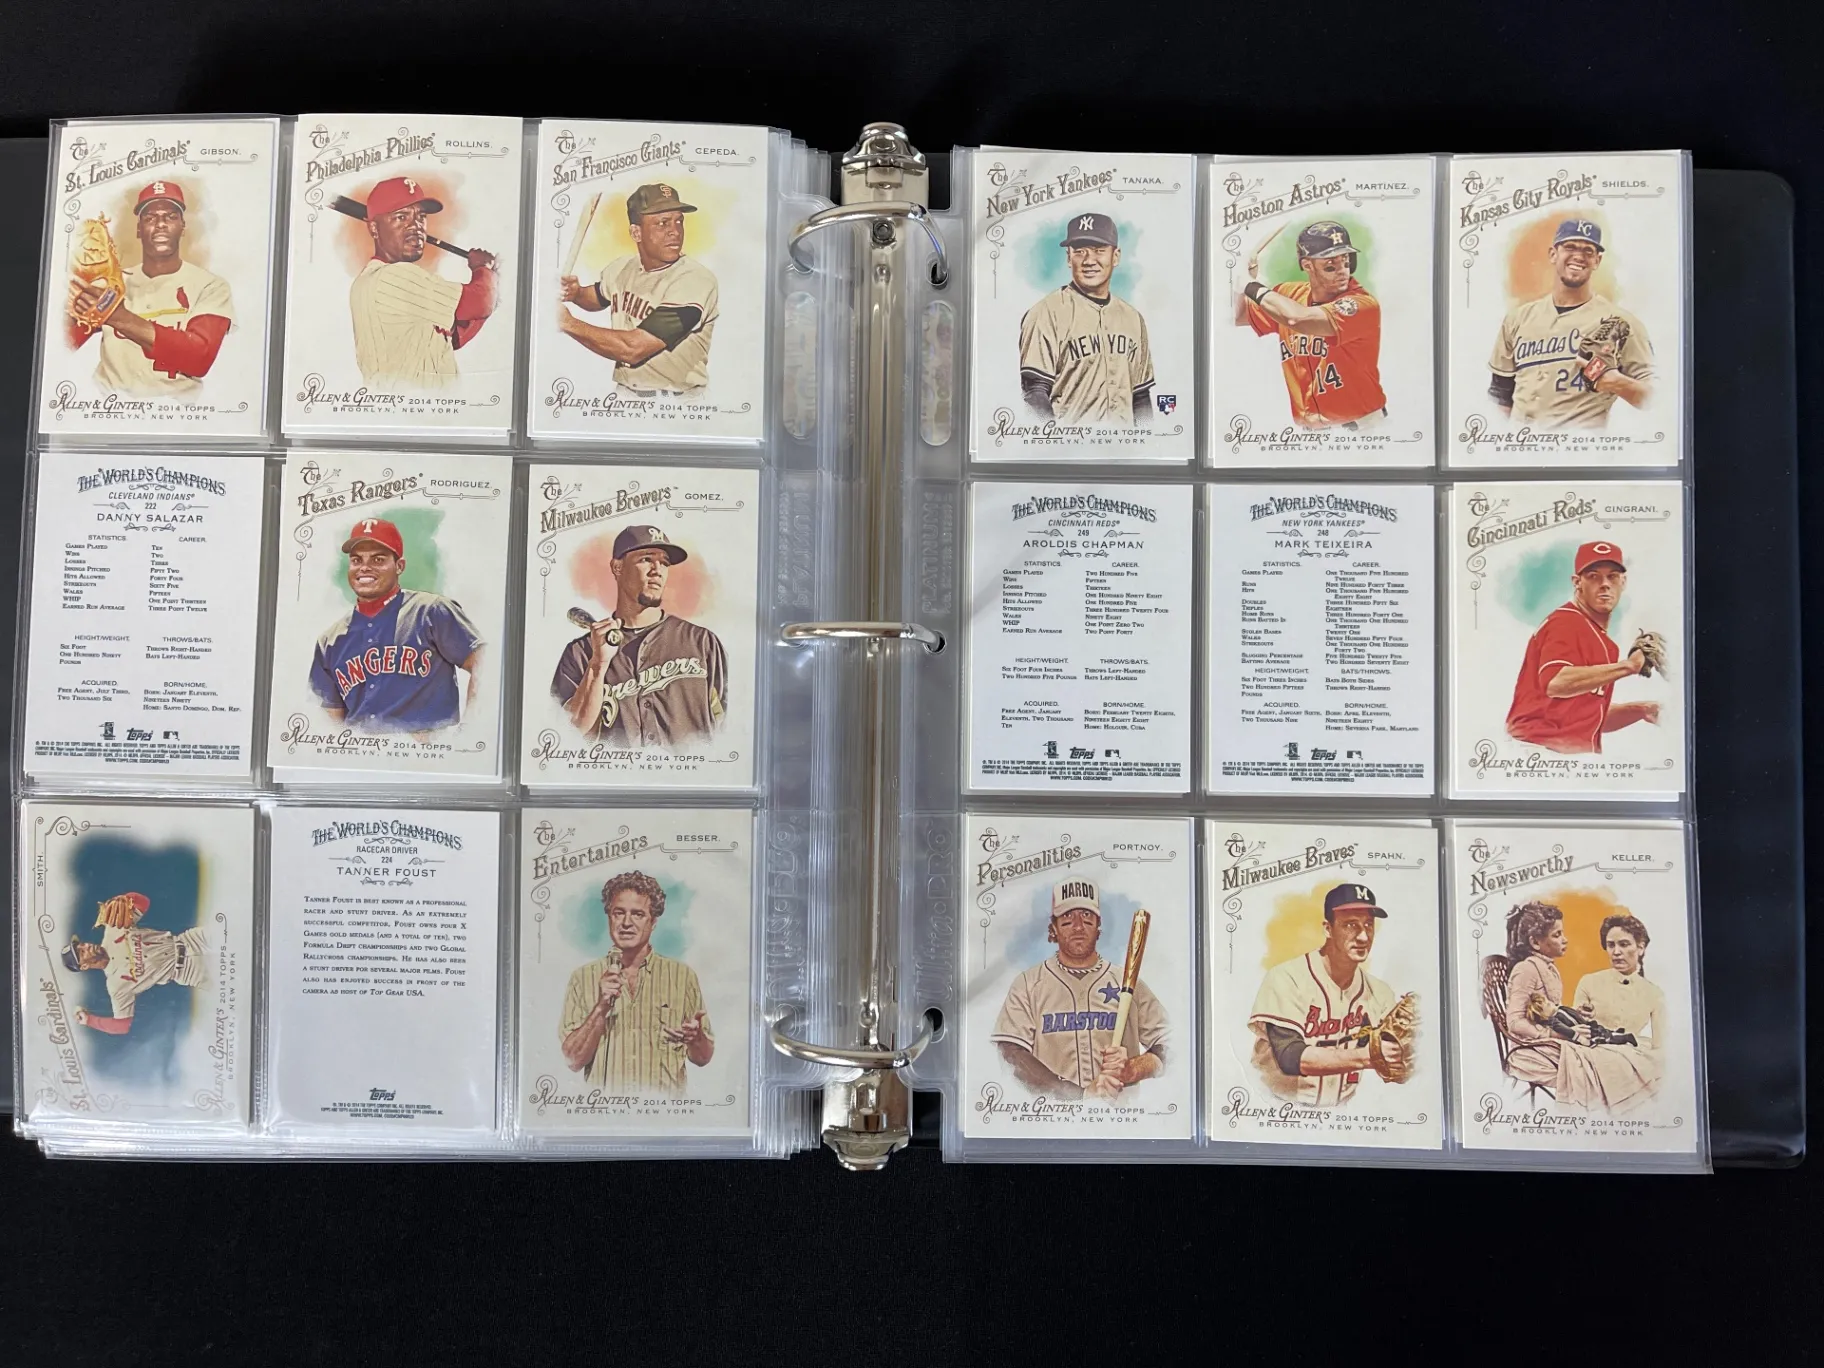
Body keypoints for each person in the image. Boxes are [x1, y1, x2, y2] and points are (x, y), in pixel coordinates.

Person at [550, 523, 728, 747]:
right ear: (617, 567)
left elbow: (726, 729)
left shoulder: (702, 643)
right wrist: (598, 665)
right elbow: (569, 738)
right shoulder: (581, 653)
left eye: (664, 563)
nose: (657, 570)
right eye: (646, 559)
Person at [990, 878, 1167, 1098]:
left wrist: (1132, 1069)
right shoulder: (1028, 984)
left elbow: (1172, 1046)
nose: (1078, 926)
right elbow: (1010, 1055)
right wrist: (1078, 1095)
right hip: (1055, 1115)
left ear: (1098, 925)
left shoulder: (1127, 982)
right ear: (1053, 927)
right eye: (1067, 917)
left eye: (1086, 915)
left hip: (1121, 1115)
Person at [309, 518, 485, 735]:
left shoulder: (431, 611)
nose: (364, 567)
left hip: (425, 749)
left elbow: (486, 666)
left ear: (399, 566)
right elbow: (329, 722)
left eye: (378, 559)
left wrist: (469, 732)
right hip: (360, 751)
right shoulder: (329, 641)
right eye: (356, 560)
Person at [65, 180, 233, 395]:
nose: (160, 224)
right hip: (107, 403)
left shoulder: (210, 286)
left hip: (177, 408)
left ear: (182, 226)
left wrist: (115, 316)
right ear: (139, 229)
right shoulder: (111, 282)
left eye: (170, 216)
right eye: (150, 217)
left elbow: (199, 358)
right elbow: (61, 345)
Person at [1248, 883, 1408, 1107]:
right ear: (1328, 929)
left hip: (1340, 1114)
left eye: (1368, 925)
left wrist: (1405, 1057)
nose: (1363, 937)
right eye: (1351, 925)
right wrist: (1371, 1056)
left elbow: (1397, 1065)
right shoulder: (1287, 978)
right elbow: (1290, 1056)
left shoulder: (1379, 993)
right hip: (1276, 1109)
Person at [1487, 218, 1654, 428]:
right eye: (1570, 247)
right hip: (1521, 443)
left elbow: (1657, 398)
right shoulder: (1518, 318)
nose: (1579, 256)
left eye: (1588, 251)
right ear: (1553, 254)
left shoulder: (1622, 323)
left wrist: (1618, 382)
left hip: (1579, 444)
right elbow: (1501, 393)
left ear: (1597, 261)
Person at [559, 870, 713, 1093]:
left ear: (653, 921)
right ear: (609, 917)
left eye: (638, 914)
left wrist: (696, 1039)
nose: (626, 923)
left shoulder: (683, 976)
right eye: (618, 913)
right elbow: (572, 1061)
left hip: (663, 1109)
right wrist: (601, 1007)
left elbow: (703, 1058)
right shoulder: (582, 978)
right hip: (605, 1110)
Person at [1499, 900, 1658, 1113]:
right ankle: (1620, 1110)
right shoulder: (1525, 970)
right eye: (1557, 935)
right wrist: (1553, 1034)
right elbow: (1515, 1022)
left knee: (1621, 1052)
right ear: (1535, 942)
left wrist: (1575, 1015)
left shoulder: (1547, 968)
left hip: (1552, 1041)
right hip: (1532, 1049)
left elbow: (1550, 1011)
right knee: (1610, 1060)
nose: (1565, 939)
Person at [558, 183, 718, 394]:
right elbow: (596, 298)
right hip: (625, 393)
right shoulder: (622, 268)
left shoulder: (694, 281)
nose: (675, 231)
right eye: (663, 223)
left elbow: (633, 349)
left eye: (679, 221)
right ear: (636, 233)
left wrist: (568, 323)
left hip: (677, 401)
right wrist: (576, 293)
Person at [1505, 539, 1662, 754]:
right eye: (1594, 576)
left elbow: (1588, 717)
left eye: (1612, 576)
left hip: (1562, 753)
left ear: (1623, 582)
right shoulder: (1566, 622)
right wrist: (1629, 666)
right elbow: (1555, 682)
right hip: (1535, 750)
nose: (1604, 584)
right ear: (1577, 582)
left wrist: (1641, 710)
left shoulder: (1606, 644)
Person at [348, 175, 498, 387]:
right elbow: (479, 302)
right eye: (401, 217)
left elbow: (451, 339)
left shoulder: (371, 281)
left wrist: (491, 282)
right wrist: (483, 268)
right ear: (374, 228)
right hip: (410, 401)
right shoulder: (394, 276)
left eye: (421, 216)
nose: (415, 226)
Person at [1236, 220, 1386, 429]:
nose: (1343, 271)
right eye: (1330, 266)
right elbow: (1239, 316)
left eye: (1346, 261)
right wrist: (1238, 280)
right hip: (1311, 431)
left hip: (1361, 428)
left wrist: (1250, 285)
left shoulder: (1361, 304)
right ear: (1307, 265)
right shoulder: (1289, 295)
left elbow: (1296, 319)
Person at [1017, 211, 1155, 426]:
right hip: (1072, 442)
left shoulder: (1133, 319)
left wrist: (1148, 440)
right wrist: (1051, 442)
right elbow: (1034, 393)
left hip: (1124, 445)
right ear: (1068, 258)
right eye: (1080, 251)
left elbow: (1141, 397)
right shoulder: (1045, 313)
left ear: (1115, 256)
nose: (1089, 260)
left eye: (1099, 250)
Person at [62, 892, 209, 1036]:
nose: (86, 946)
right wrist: (89, 1020)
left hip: (192, 940)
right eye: (82, 952)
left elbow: (143, 902)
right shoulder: (116, 986)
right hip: (189, 972)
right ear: (84, 966)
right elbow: (121, 1026)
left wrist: (123, 899)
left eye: (82, 945)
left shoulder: (113, 928)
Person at [1573, 914, 1666, 1093]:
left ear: (1641, 948)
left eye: (1624, 944)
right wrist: (1582, 1016)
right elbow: (1576, 1028)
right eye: (1611, 945)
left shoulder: (1655, 994)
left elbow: (1660, 1046)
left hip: (1633, 1060)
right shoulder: (1589, 982)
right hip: (1592, 1058)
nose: (1616, 952)